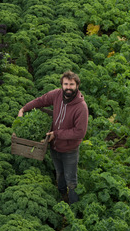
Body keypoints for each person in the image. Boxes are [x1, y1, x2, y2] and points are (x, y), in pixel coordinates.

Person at [18, 71, 89, 204]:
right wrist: (23, 109)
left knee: (71, 180)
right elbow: (41, 101)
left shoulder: (81, 107)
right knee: (59, 174)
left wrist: (56, 134)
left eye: (71, 84)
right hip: (54, 146)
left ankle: (74, 206)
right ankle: (62, 195)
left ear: (77, 85)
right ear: (62, 85)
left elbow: (79, 132)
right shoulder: (56, 95)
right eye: (66, 84)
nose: (68, 87)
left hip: (69, 150)